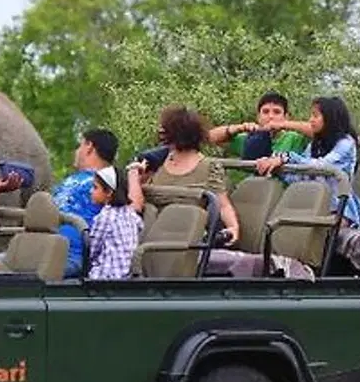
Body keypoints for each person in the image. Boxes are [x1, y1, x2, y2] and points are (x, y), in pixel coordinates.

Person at [129, 105, 241, 247]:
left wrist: (233, 228)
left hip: (185, 240)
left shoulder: (208, 167)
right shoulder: (156, 161)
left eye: (166, 129)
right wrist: (136, 175)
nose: (161, 132)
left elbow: (223, 205)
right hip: (148, 234)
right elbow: (135, 201)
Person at [254, 96, 360, 229]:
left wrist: (287, 157)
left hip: (339, 211)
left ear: (329, 118)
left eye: (315, 116)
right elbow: (300, 174)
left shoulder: (346, 143)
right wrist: (275, 167)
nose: (311, 120)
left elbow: (321, 166)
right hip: (312, 204)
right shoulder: (316, 144)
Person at [48, 128, 119, 276]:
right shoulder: (69, 181)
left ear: (89, 146)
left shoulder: (107, 185)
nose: (76, 151)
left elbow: (131, 207)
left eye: (79, 146)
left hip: (71, 256)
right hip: (43, 249)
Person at [207, 91, 312, 161]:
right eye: (265, 112)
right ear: (258, 117)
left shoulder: (294, 138)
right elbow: (209, 138)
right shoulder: (248, 139)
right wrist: (239, 128)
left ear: (286, 116)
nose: (270, 116)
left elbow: (321, 132)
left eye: (277, 112)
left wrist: (285, 124)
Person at [86, 165, 144, 279]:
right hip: (128, 274)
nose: (90, 191)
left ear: (108, 192)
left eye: (95, 187)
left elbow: (93, 249)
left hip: (106, 275)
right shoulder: (130, 212)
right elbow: (140, 226)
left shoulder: (104, 217)